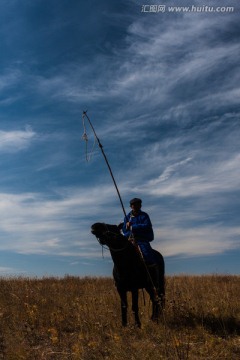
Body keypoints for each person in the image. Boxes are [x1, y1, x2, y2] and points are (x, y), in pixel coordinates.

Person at [122, 198, 157, 265]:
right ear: (131, 206)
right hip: (130, 239)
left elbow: (147, 226)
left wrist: (133, 226)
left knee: (146, 252)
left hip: (141, 238)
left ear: (140, 206)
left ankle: (151, 266)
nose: (136, 206)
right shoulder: (127, 217)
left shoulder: (144, 215)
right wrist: (126, 226)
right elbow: (124, 230)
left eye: (138, 205)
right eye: (134, 205)